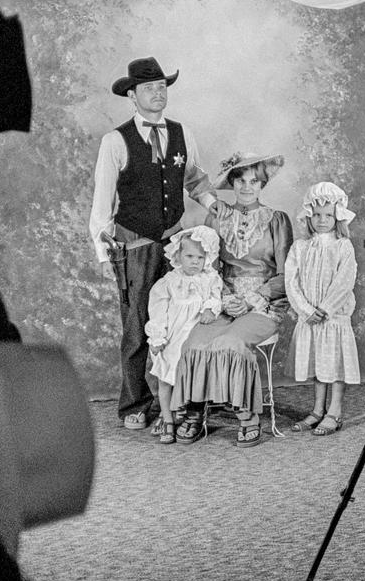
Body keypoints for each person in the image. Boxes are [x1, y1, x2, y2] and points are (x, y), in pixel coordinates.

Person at [89, 57, 216, 430]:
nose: (158, 93)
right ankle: (135, 405)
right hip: (135, 245)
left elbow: (195, 180)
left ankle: (179, 398)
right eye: (149, 88)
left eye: (162, 86)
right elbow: (102, 203)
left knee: (183, 319)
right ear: (132, 95)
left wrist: (214, 206)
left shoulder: (181, 133)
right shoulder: (115, 141)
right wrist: (104, 252)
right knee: (138, 326)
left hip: (175, 242)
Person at [173, 152, 293, 446]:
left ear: (262, 184)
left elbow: (288, 274)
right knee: (195, 340)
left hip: (263, 305)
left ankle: (248, 417)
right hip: (221, 299)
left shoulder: (277, 220)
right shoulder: (217, 217)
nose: (247, 186)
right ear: (232, 182)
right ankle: (195, 411)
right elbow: (207, 266)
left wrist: (252, 299)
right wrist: (223, 297)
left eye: (254, 181)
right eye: (240, 180)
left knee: (231, 343)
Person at [285, 181, 361, 435]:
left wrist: (326, 309)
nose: (321, 220)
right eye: (316, 215)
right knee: (319, 365)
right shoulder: (301, 247)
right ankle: (317, 409)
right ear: (309, 216)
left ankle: (335, 411)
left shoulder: (342, 246)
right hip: (311, 318)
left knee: (335, 365)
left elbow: (344, 281)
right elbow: (291, 281)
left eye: (328, 215)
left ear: (337, 216)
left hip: (333, 318)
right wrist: (307, 310)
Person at [145, 227, 223, 446]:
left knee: (191, 377)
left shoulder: (210, 279)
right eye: (189, 256)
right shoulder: (168, 282)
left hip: (194, 337)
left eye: (200, 257)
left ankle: (190, 415)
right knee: (166, 380)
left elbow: (216, 298)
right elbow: (157, 312)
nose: (195, 262)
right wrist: (158, 337)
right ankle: (167, 419)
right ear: (177, 255)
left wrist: (210, 309)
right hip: (173, 337)